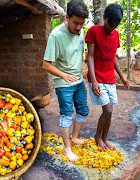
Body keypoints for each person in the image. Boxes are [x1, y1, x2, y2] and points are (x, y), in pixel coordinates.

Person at [42, 0, 89, 162]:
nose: (78, 27)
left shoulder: (80, 31)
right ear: (67, 17)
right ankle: (66, 148)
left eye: (82, 24)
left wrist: (83, 66)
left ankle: (74, 137)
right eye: (76, 23)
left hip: (78, 80)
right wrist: (63, 75)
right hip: (64, 83)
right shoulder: (56, 35)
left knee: (83, 111)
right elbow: (46, 64)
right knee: (67, 114)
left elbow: (79, 50)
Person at [85, 3, 129, 150]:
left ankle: (104, 139)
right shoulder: (93, 31)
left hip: (110, 79)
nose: (111, 29)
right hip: (97, 78)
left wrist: (122, 77)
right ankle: (97, 136)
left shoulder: (116, 35)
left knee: (110, 113)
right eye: (109, 25)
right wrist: (94, 81)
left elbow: (113, 57)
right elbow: (90, 57)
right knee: (108, 110)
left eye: (114, 27)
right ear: (104, 18)